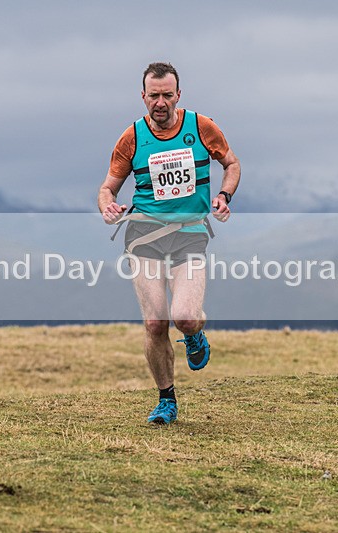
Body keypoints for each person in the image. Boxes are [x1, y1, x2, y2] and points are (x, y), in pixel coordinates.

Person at [98, 62, 241, 424]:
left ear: (178, 95)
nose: (160, 102)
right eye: (153, 95)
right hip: (143, 236)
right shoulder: (131, 137)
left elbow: (232, 164)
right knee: (155, 323)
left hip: (189, 236)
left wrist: (224, 196)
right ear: (143, 97)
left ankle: (195, 335)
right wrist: (108, 207)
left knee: (185, 317)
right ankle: (167, 400)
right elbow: (106, 189)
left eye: (167, 95)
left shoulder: (201, 127)